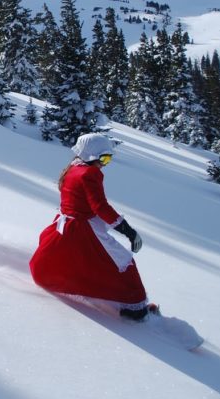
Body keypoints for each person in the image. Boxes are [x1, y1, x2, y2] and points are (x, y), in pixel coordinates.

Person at [30, 132, 153, 321]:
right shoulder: (90, 173)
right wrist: (128, 231)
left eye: (109, 158)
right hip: (84, 229)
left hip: (64, 227)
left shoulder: (72, 168)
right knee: (122, 261)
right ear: (90, 155)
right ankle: (134, 308)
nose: (105, 163)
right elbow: (100, 206)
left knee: (84, 262)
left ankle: (119, 301)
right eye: (103, 157)